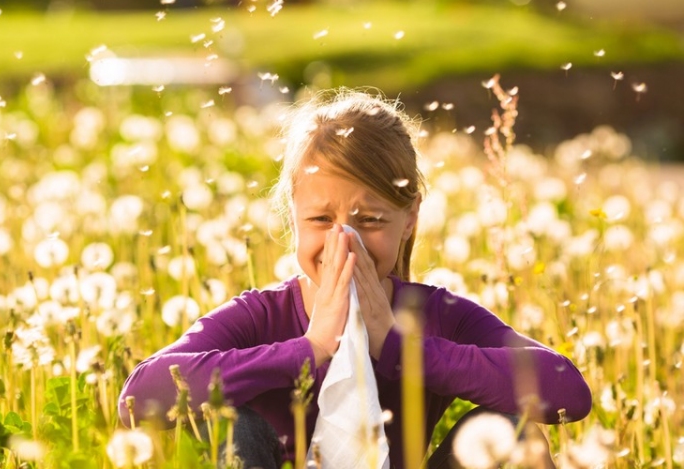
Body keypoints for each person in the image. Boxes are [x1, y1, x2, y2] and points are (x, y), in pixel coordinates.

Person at [118, 88, 592, 468]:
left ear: (409, 219)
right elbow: (138, 399)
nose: (344, 242)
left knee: (515, 429)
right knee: (231, 426)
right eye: (321, 220)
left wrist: (402, 347)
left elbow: (567, 392)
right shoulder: (261, 315)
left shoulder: (433, 315)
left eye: (369, 221)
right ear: (293, 218)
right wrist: (310, 350)